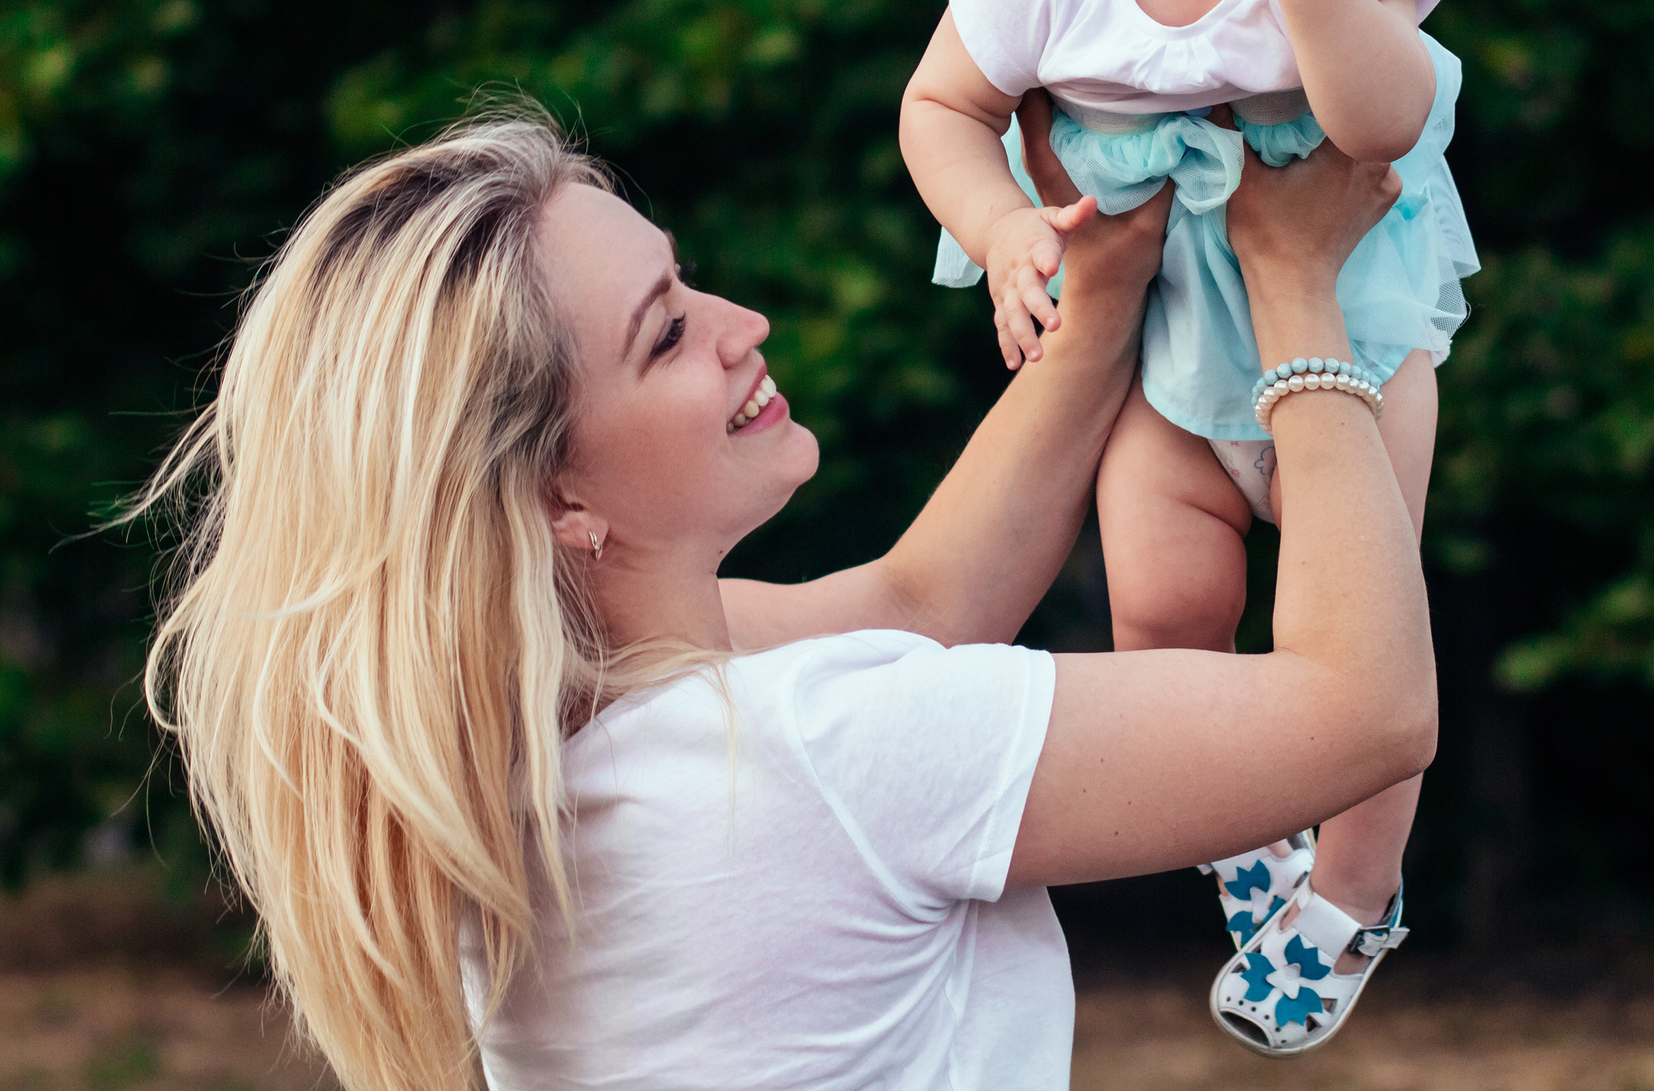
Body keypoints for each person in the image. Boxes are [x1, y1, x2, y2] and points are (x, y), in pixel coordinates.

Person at [142, 95, 1436, 1090]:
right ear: (554, 500)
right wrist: (1293, 292)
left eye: (682, 276)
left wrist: (1099, 294)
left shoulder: (527, 736)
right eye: (665, 334)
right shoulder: (823, 753)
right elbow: (1363, 711)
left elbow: (923, 603)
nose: (740, 320)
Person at [897, 0, 1477, 1048]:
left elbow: (1382, 125)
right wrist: (1006, 225)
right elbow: (942, 107)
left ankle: (1356, 890)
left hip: (1343, 314)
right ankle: (1240, 822)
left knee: (1357, 629)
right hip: (1159, 328)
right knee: (1161, 601)